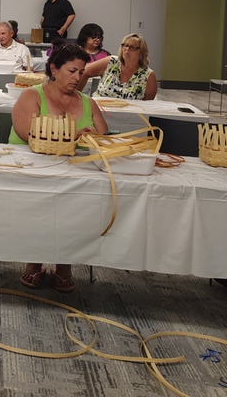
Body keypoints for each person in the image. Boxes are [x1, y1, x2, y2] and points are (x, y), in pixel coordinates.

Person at [9, 43, 108, 293]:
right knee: (42, 203)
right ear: (54, 69)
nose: (78, 77)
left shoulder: (88, 102)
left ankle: (64, 263)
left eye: (81, 72)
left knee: (78, 203)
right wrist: (74, 135)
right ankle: (35, 260)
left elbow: (103, 138)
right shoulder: (31, 96)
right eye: (72, 71)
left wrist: (91, 138)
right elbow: (27, 133)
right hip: (31, 171)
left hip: (74, 175)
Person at [79, 33, 158, 101]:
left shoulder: (148, 75)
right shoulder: (111, 62)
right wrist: (77, 98)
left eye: (132, 47)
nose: (127, 49)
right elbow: (84, 71)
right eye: (125, 45)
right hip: (99, 109)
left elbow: (148, 106)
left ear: (141, 52)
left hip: (130, 113)